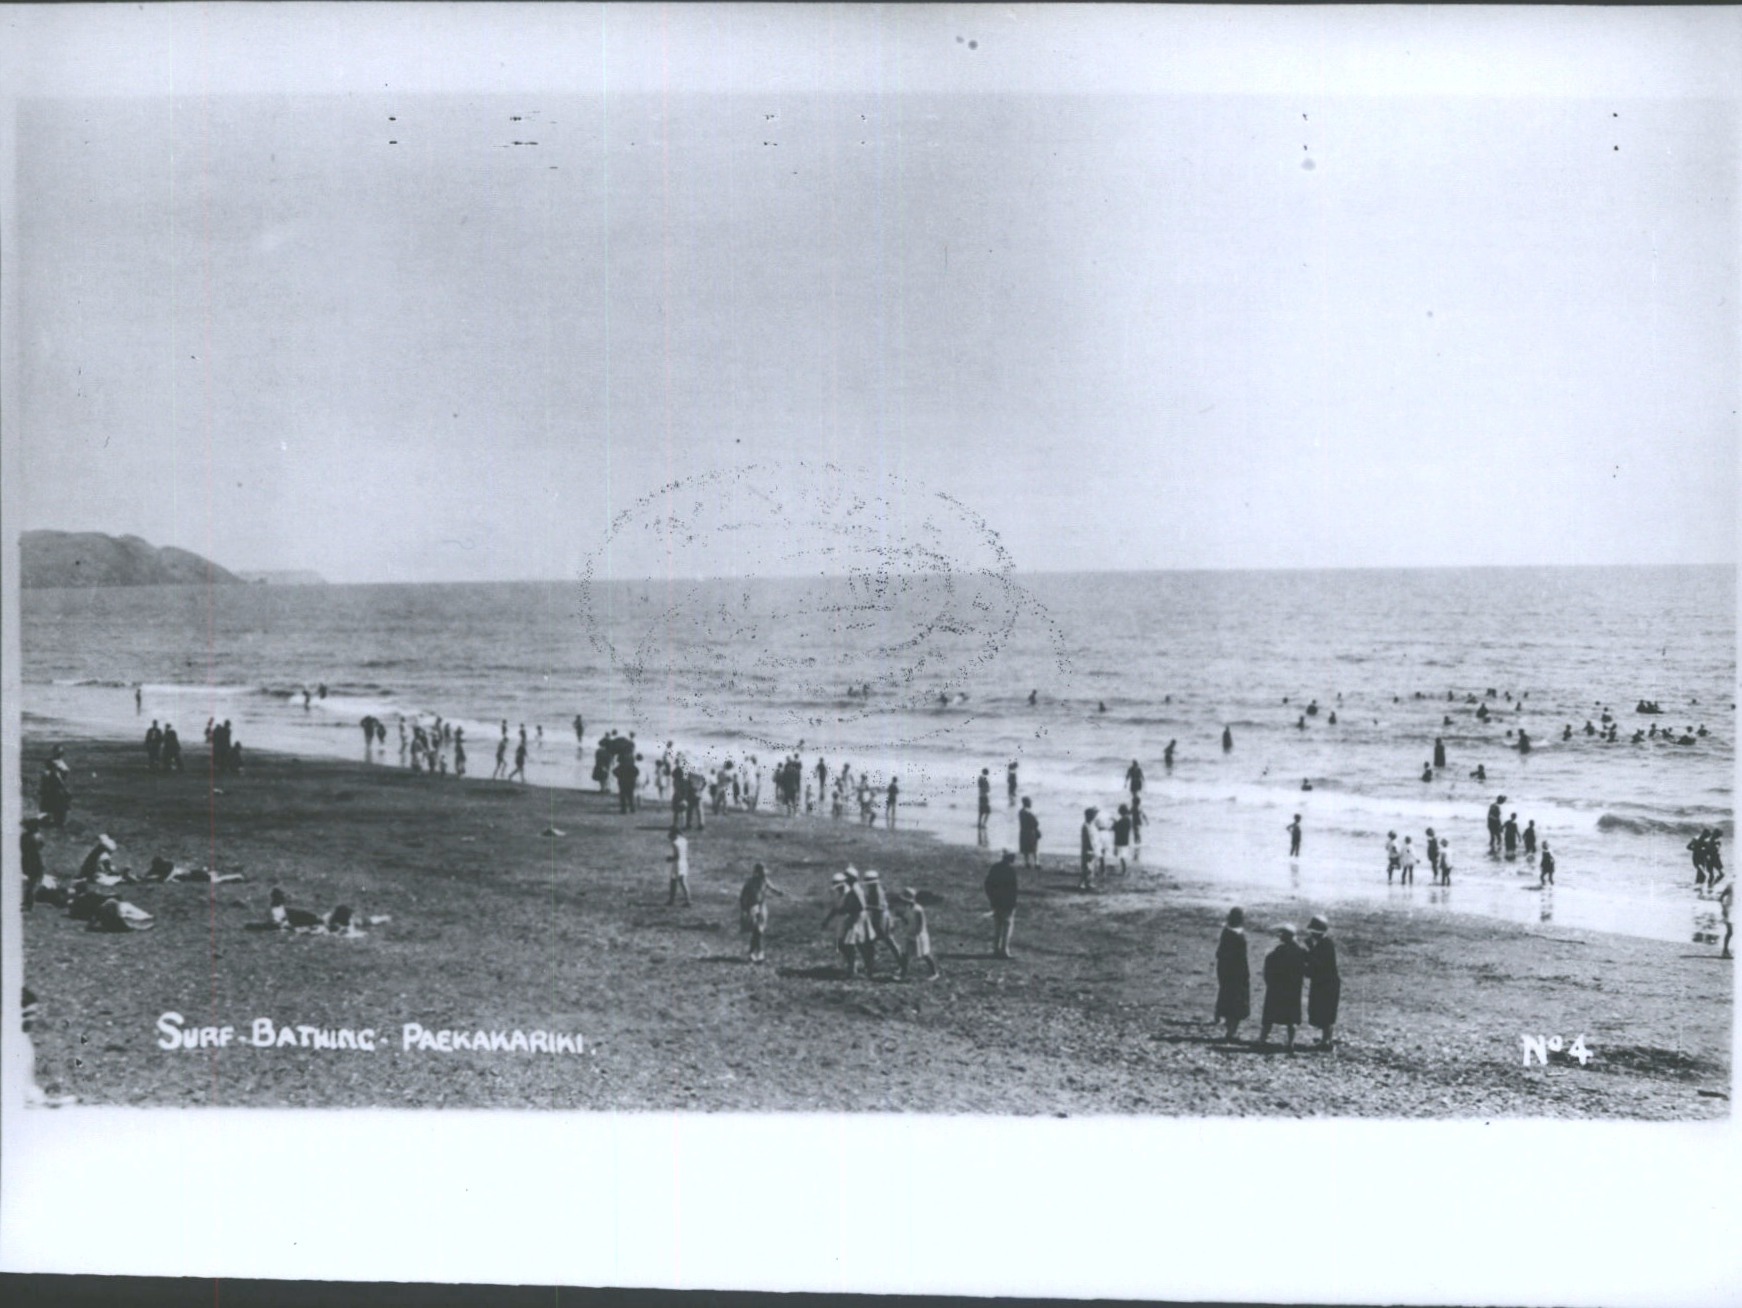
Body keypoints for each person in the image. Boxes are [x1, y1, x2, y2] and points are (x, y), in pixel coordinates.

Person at [1259, 925, 1308, 1050]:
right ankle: (1290, 1043)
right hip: (1293, 990)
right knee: (1291, 1018)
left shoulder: (1278, 951)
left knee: (1269, 1016)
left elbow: (1269, 964)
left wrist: (1270, 982)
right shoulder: (1300, 951)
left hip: (1277, 989)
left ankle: (1262, 1040)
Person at [1213, 907, 1250, 1041]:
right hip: (1237, 972)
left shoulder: (1227, 931)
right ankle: (1231, 1032)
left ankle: (1226, 1025)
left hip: (1226, 971)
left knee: (1226, 996)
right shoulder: (1238, 935)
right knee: (1237, 1001)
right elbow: (1240, 957)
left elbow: (1220, 953)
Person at [1304, 915, 1340, 1048]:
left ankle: (1327, 1041)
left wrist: (1308, 952)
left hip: (1326, 984)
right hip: (1325, 983)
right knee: (1325, 1012)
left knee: (1326, 1013)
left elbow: (1318, 964)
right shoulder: (1324, 943)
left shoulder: (1325, 945)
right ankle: (1326, 1039)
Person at [738, 863, 784, 963]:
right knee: (757, 930)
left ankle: (753, 953)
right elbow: (743, 895)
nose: (764, 874)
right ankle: (758, 953)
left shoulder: (765, 881)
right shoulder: (750, 882)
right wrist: (744, 908)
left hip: (762, 906)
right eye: (762, 872)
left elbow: (772, 888)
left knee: (759, 931)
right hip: (753, 906)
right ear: (757, 872)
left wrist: (779, 893)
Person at [895, 889, 940, 980]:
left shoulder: (918, 909)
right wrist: (902, 919)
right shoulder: (908, 908)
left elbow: (921, 923)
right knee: (905, 954)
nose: (903, 901)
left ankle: (934, 973)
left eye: (904, 900)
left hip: (919, 935)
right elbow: (907, 919)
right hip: (909, 933)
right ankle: (903, 974)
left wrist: (917, 933)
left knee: (925, 954)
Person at [985, 851, 1018, 959]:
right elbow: (1013, 890)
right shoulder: (1011, 870)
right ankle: (1004, 949)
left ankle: (996, 949)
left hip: (996, 901)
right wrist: (1013, 904)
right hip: (1007, 903)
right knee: (1007, 926)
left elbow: (988, 884)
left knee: (998, 926)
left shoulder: (995, 868)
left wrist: (992, 899)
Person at [20, 816, 47, 911]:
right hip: (33, 861)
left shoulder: (25, 836)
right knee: (31, 883)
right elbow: (40, 847)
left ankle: (27, 902)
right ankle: (27, 902)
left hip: (29, 861)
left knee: (30, 884)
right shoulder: (36, 836)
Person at [38, 759, 72, 827]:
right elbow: (60, 783)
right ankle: (58, 822)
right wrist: (66, 791)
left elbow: (43, 784)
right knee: (59, 807)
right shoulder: (55, 773)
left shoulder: (45, 773)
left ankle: (47, 821)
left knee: (46, 808)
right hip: (55, 792)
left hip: (47, 792)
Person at [666, 828, 692, 907]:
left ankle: (672, 900)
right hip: (684, 863)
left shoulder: (675, 843)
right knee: (683, 881)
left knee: (674, 881)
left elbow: (677, 856)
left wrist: (670, 859)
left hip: (677, 864)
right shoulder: (684, 840)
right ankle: (688, 899)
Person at [1078, 807, 1099, 891]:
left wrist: (1096, 846)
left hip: (1092, 847)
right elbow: (1088, 838)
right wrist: (1092, 847)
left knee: (1091, 866)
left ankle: (1089, 882)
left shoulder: (1091, 825)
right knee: (1086, 866)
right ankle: (1082, 883)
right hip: (1087, 848)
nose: (1095, 817)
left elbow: (1095, 837)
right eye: (1093, 815)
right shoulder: (1085, 826)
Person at [1017, 797, 1041, 867]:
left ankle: (1027, 862)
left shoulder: (1021, 812)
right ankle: (1036, 863)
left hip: (1023, 831)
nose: (1031, 803)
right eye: (1030, 802)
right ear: (1027, 803)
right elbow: (1035, 823)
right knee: (1035, 848)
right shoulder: (1029, 812)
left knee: (1025, 849)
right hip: (1031, 832)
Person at [1111, 805, 1133, 873]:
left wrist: (1114, 822)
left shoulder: (1122, 820)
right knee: (1122, 855)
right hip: (1125, 840)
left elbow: (1114, 828)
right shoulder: (1128, 820)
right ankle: (1124, 869)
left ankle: (1124, 870)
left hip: (1120, 840)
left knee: (1121, 856)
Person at [976, 768, 992, 836]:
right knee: (988, 811)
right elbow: (987, 789)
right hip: (984, 796)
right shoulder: (984, 779)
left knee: (981, 811)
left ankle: (979, 823)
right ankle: (984, 824)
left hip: (980, 796)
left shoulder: (980, 778)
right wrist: (987, 788)